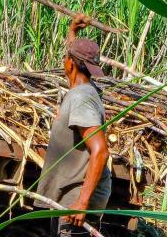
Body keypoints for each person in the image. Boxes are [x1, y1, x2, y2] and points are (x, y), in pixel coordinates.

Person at [35, 14, 112, 237]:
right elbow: (73, 59)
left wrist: (82, 202)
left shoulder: (81, 98)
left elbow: (101, 151)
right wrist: (72, 32)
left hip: (75, 200)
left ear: (70, 63)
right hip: (68, 197)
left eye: (66, 58)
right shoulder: (84, 89)